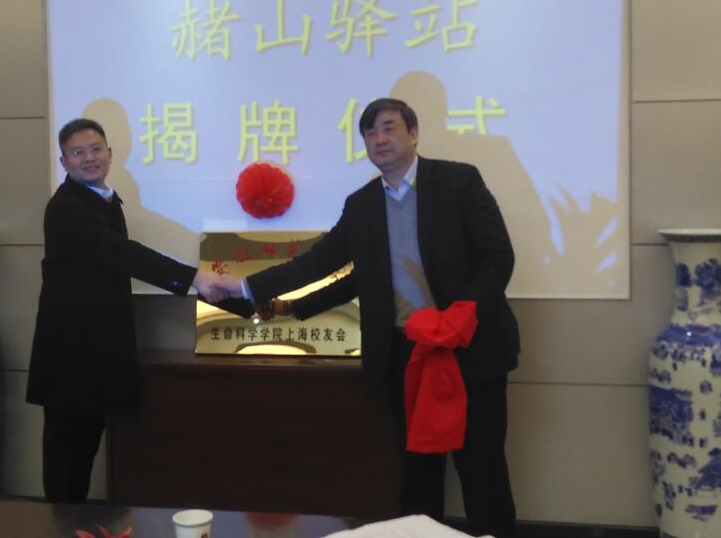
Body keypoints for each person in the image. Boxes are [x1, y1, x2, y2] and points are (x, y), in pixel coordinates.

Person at [217, 98, 520, 537]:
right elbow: (323, 263)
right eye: (370, 132)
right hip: (404, 356)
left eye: (389, 128)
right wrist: (247, 288)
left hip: (468, 350)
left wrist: (462, 313)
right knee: (418, 473)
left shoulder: (458, 182)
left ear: (413, 133)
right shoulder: (361, 205)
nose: (379, 139)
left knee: (482, 470)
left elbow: (498, 258)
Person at [26, 117, 222, 503]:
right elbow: (121, 253)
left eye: (95, 149)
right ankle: (59, 527)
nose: (89, 157)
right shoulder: (66, 208)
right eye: (77, 152)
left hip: (94, 354)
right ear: (63, 162)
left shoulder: (105, 199)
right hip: (69, 357)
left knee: (84, 453)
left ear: (110, 154)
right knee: (66, 462)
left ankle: (73, 526)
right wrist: (192, 277)